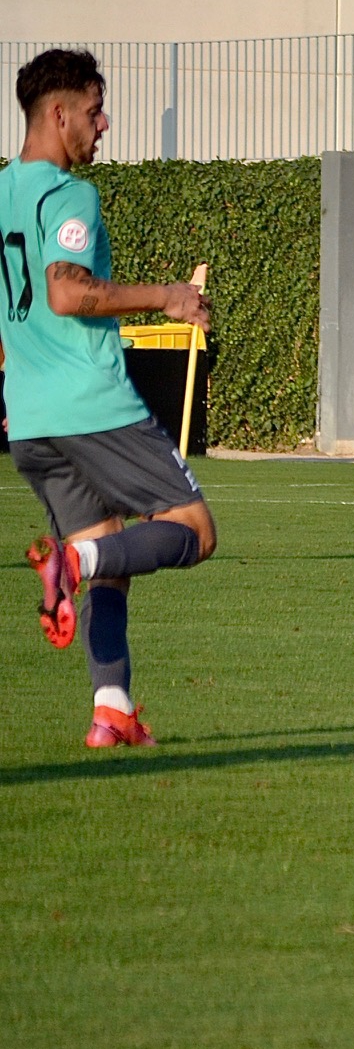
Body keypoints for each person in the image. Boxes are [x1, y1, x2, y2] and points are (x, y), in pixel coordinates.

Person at [6, 49, 216, 749]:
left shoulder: (3, 193)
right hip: (91, 404)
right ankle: (70, 566)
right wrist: (169, 296)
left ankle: (111, 710)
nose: (104, 124)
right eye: (94, 112)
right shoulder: (70, 196)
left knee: (110, 555)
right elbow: (67, 292)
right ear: (58, 114)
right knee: (194, 530)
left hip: (31, 418)